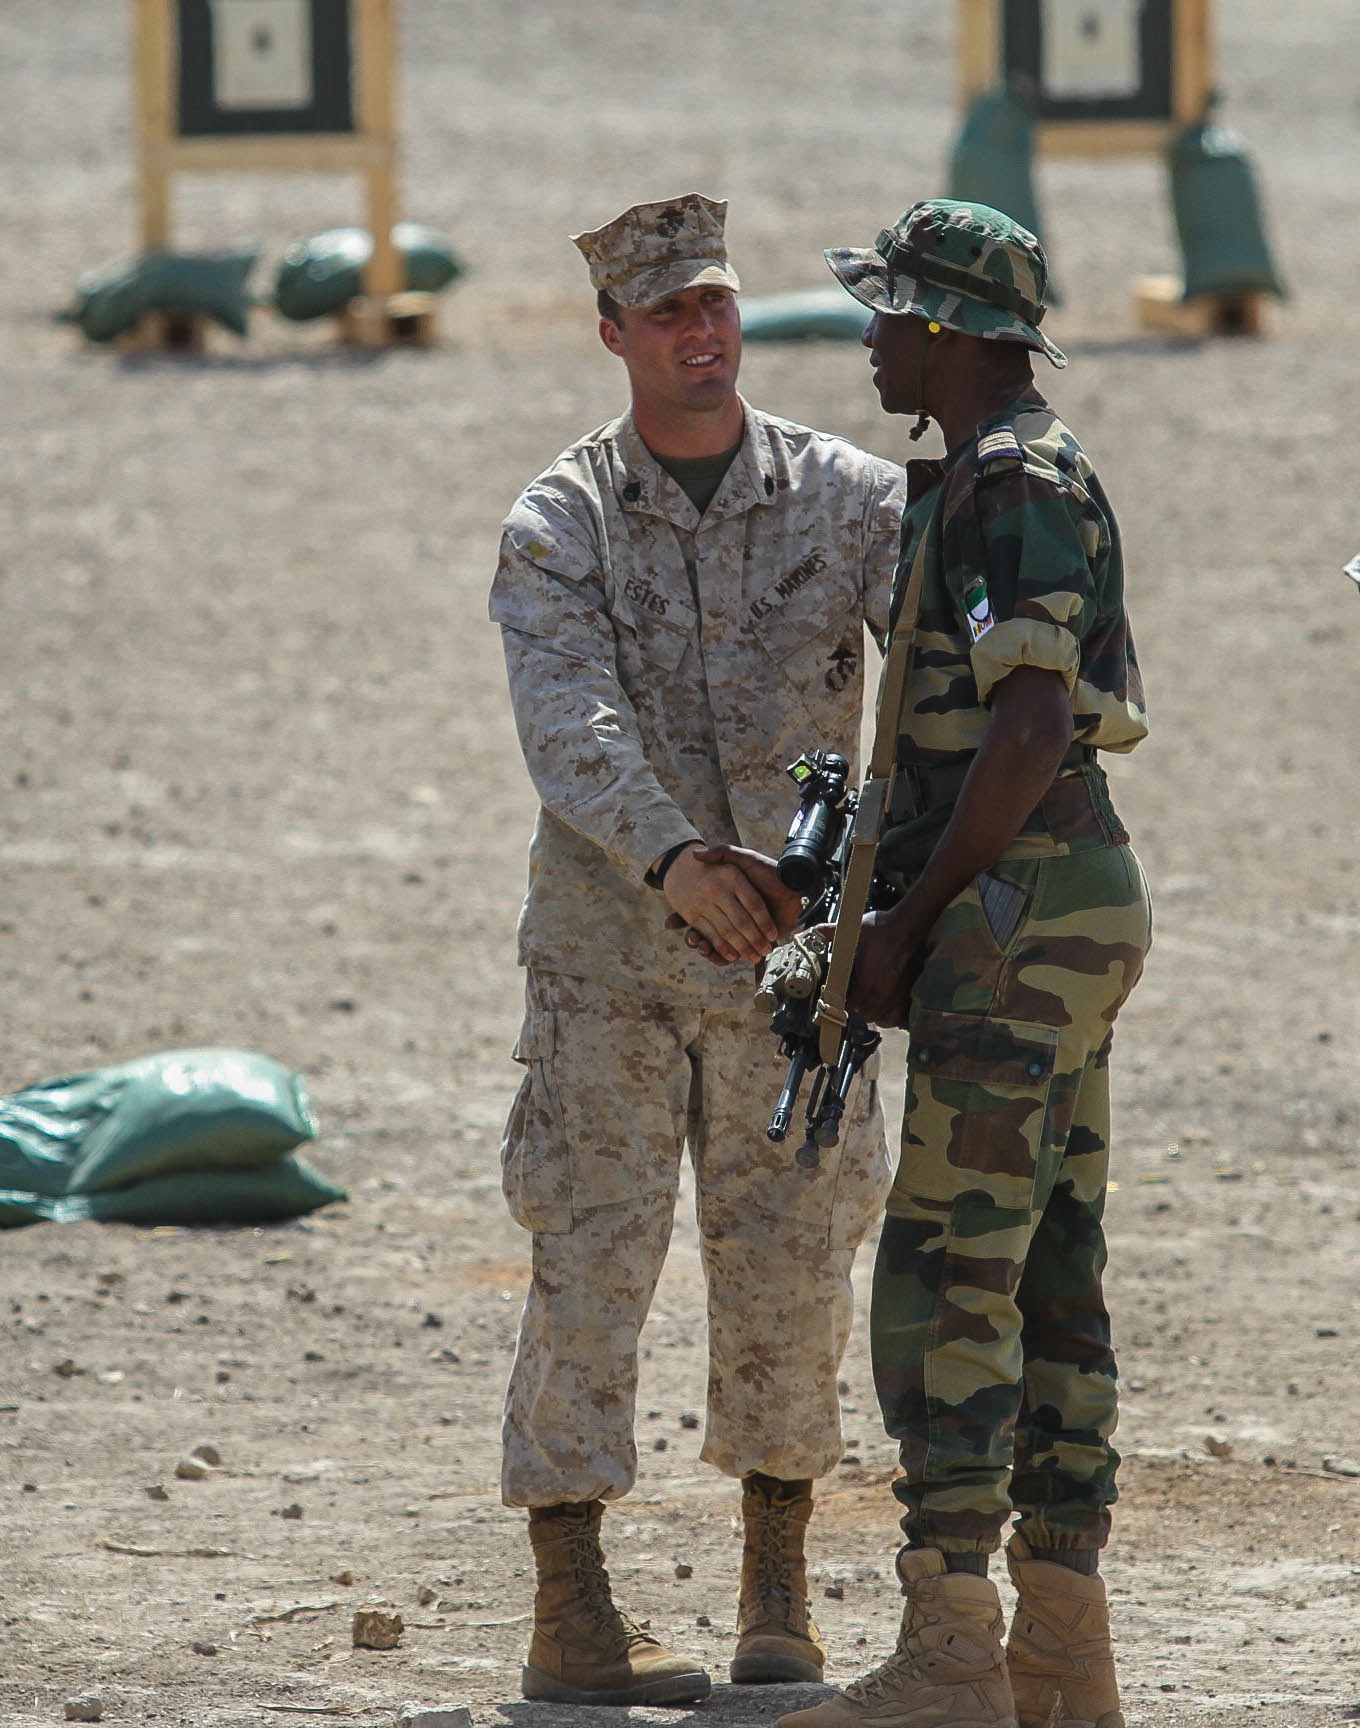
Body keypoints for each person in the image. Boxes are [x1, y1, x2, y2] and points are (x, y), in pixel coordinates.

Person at [488, 192, 905, 1708]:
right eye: (668, 314)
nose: (704, 333)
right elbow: (565, 720)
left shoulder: (849, 499)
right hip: (609, 960)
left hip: (790, 973)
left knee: (793, 1260)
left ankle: (776, 1591)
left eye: (717, 303)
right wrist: (673, 857)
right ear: (615, 336)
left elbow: (939, 667)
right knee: (588, 1261)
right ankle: (573, 1607)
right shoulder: (563, 519)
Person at [758, 199, 1152, 1728]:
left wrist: (903, 928)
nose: (868, 333)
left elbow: (1032, 722)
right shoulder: (1008, 476)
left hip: (1016, 917)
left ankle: (951, 1653)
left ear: (950, 331)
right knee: (1050, 1260)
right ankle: (1059, 1649)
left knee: (948, 1273)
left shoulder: (1006, 488)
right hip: (1058, 906)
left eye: (890, 310)